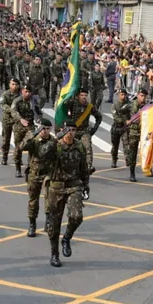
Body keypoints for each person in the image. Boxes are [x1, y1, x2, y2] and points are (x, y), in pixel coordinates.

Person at [42, 120, 90, 267]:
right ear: (63, 130)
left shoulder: (79, 146)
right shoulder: (55, 145)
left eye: (74, 130)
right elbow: (43, 154)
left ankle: (67, 238)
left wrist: (86, 184)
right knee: (53, 224)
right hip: (56, 187)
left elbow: (83, 168)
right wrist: (56, 139)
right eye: (69, 130)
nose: (71, 133)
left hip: (73, 186)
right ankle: (54, 254)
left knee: (77, 216)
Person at [21, 118, 56, 237]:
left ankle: (48, 221)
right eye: (43, 128)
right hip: (34, 174)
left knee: (50, 200)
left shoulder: (53, 141)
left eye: (47, 129)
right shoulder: (34, 140)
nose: (45, 131)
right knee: (33, 201)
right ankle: (32, 224)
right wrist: (32, 134)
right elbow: (22, 146)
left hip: (48, 175)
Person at [62, 88, 102, 174]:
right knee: (67, 147)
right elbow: (63, 104)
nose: (84, 97)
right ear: (78, 96)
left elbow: (99, 117)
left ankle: (88, 166)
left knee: (87, 147)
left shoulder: (89, 106)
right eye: (82, 95)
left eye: (86, 95)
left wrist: (94, 129)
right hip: (72, 131)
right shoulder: (72, 103)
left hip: (84, 131)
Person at [11, 85, 42, 178]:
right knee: (18, 147)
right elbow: (13, 112)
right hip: (19, 126)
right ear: (22, 91)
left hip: (30, 126)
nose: (27, 94)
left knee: (31, 146)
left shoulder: (33, 101)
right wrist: (20, 119)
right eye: (26, 91)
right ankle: (17, 168)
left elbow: (39, 111)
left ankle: (29, 167)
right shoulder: (17, 101)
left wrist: (39, 119)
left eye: (29, 92)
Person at [0, 78, 21, 165]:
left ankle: (18, 158)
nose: (14, 86)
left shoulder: (20, 95)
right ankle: (4, 157)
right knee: (5, 139)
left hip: (17, 119)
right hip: (7, 119)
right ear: (9, 85)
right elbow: (3, 105)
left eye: (16, 84)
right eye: (12, 84)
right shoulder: (5, 94)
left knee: (18, 140)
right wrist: (12, 110)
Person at [110, 88, 131, 168]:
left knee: (126, 144)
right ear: (119, 95)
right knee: (115, 146)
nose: (123, 96)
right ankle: (114, 160)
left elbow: (133, 113)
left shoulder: (129, 104)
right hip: (116, 127)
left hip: (125, 128)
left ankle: (128, 160)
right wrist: (125, 121)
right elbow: (115, 117)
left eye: (124, 94)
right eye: (121, 94)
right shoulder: (115, 105)